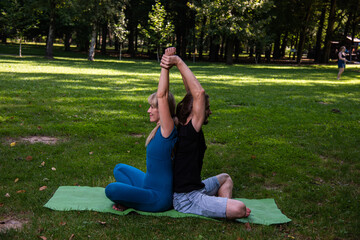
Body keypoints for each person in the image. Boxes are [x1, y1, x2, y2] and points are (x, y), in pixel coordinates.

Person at [160, 51, 251, 219]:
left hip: (197, 188)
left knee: (225, 178)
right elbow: (198, 94)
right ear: (194, 111)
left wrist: (178, 68)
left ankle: (221, 206)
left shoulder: (186, 125)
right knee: (240, 209)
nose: (209, 111)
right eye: (206, 108)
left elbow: (191, 92)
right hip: (186, 198)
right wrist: (178, 61)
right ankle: (224, 208)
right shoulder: (190, 131)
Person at [105, 47, 177, 212]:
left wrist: (165, 67)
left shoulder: (168, 129)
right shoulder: (159, 129)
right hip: (147, 184)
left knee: (111, 189)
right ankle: (132, 197)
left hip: (158, 197)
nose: (148, 111)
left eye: (153, 107)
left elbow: (163, 95)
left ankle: (129, 200)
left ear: (164, 110)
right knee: (119, 168)